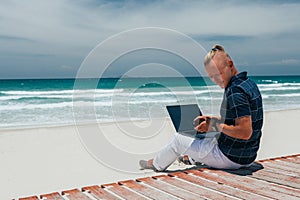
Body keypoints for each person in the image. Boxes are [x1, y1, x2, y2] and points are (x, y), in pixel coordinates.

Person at [139, 44, 263, 171]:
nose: (216, 80)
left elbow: (244, 132)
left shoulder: (235, 92)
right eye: (212, 77)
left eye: (218, 74)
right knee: (208, 136)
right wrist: (213, 120)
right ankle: (191, 158)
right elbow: (238, 119)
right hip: (248, 156)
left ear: (230, 64)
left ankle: (156, 164)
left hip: (231, 158)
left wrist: (214, 125)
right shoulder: (247, 83)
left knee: (178, 140)